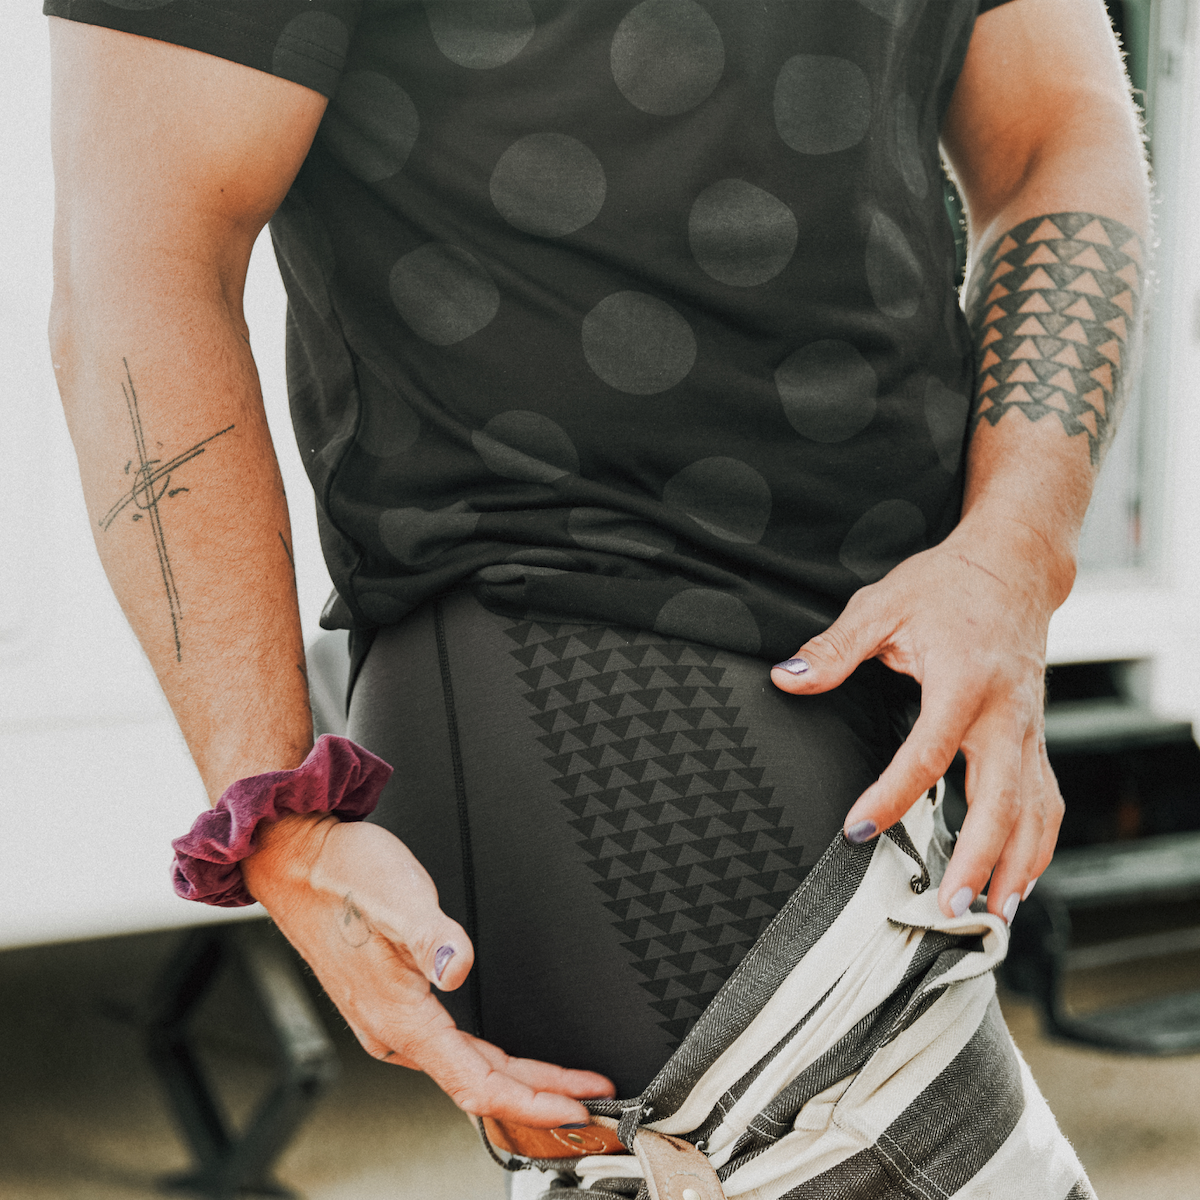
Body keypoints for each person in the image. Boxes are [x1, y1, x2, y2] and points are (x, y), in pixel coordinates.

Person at [47, 0, 1148, 1188]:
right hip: (581, 668)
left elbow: (1058, 132)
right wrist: (269, 812)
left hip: (886, 680)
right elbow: (143, 262)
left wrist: (1012, 555)